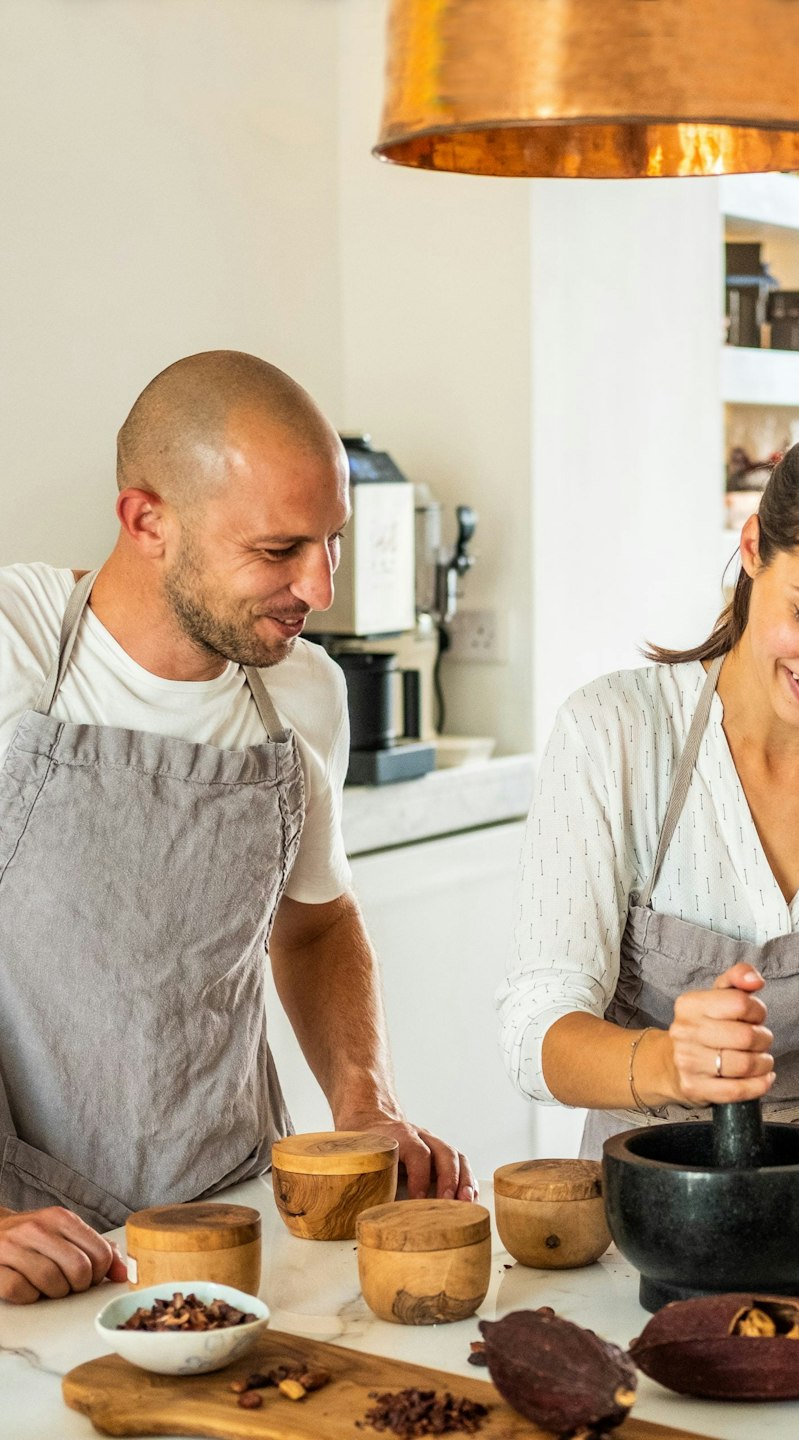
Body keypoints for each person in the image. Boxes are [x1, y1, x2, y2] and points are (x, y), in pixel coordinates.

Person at [0, 351, 473, 1305]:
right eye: (278, 549)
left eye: (331, 542)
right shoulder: (14, 647)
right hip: (27, 1236)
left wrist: (364, 1102)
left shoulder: (304, 695)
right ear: (148, 522)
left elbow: (316, 920)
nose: (321, 586)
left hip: (235, 1214)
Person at [498, 416, 799, 1223]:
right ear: (755, 546)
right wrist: (669, 1061)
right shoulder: (615, 733)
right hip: (651, 1212)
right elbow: (534, 1032)